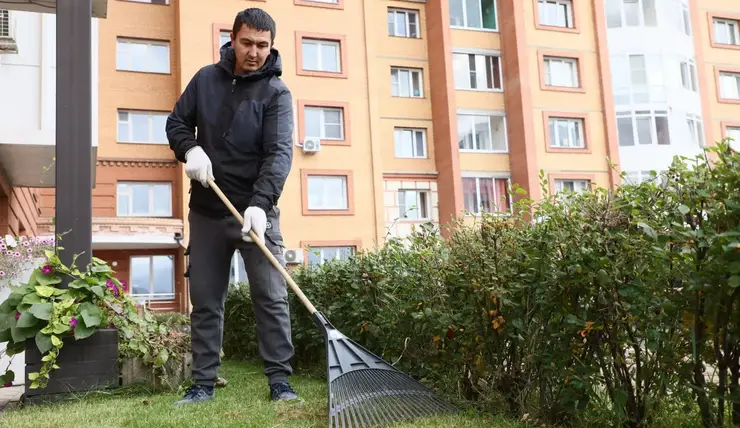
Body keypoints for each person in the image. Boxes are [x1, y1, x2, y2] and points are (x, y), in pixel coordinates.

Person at [165, 8, 299, 405]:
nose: (254, 52)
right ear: (233, 39)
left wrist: (261, 205)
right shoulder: (206, 79)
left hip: (256, 215)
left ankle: (280, 383)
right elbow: (176, 122)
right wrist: (189, 149)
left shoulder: (277, 94)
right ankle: (203, 383)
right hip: (207, 212)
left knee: (271, 298)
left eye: (262, 45)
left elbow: (278, 155)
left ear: (271, 46)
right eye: (247, 43)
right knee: (205, 301)